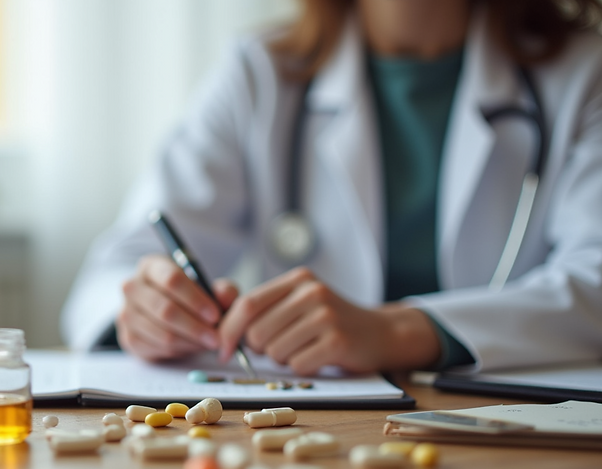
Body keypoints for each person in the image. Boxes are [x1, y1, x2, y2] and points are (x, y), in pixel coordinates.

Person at [61, 0, 602, 375]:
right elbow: (114, 272)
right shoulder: (259, 72)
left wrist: (398, 333)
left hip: (513, 434)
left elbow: (594, 283)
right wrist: (146, 312)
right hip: (317, 433)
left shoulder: (584, 74)